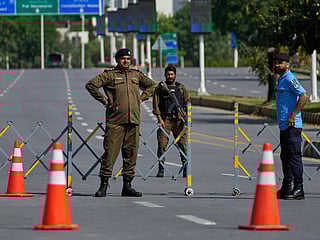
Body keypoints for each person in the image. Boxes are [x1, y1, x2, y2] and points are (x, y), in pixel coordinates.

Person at [85, 48, 156, 197]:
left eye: (128, 59)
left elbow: (152, 85)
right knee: (110, 153)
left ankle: (127, 186)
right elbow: (91, 85)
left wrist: (142, 98)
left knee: (131, 154)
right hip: (116, 121)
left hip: (133, 120)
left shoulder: (136, 75)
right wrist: (104, 100)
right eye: (123, 59)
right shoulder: (110, 75)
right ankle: (103, 185)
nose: (126, 61)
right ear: (117, 60)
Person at [274, 53, 308, 200]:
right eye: (275, 62)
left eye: (280, 62)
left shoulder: (290, 79)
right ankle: (287, 187)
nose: (277, 65)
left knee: (294, 157)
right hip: (283, 125)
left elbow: (304, 96)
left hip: (292, 126)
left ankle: (299, 188)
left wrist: (294, 114)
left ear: (287, 64)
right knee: (285, 157)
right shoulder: (280, 80)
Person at [152, 65, 190, 178]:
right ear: (165, 75)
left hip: (179, 120)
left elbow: (187, 102)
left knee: (182, 144)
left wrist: (187, 117)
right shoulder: (161, 88)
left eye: (172, 74)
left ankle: (185, 166)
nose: (170, 76)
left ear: (175, 75)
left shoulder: (181, 88)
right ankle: (161, 168)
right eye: (168, 74)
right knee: (162, 144)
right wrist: (160, 119)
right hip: (165, 119)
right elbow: (156, 104)